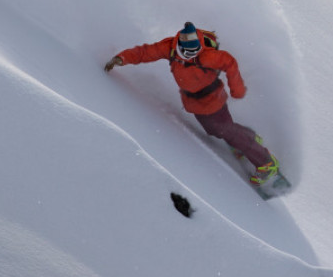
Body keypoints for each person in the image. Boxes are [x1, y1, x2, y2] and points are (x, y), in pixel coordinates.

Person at [105, 22, 279, 185]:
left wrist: (237, 89)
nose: (194, 53)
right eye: (189, 51)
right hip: (192, 101)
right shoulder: (170, 47)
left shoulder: (207, 55)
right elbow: (145, 52)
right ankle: (248, 136)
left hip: (213, 97)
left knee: (223, 129)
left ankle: (266, 163)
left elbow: (229, 62)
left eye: (196, 50)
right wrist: (121, 58)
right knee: (214, 130)